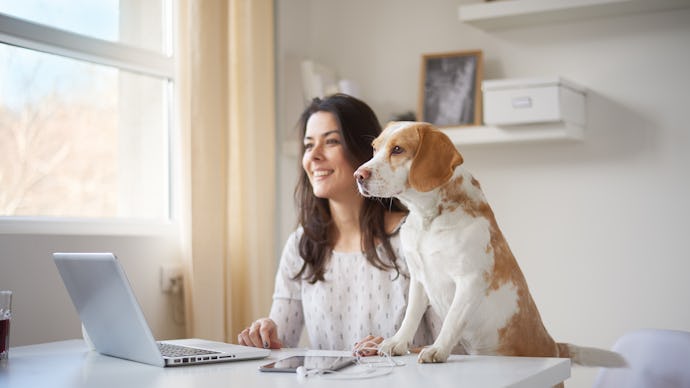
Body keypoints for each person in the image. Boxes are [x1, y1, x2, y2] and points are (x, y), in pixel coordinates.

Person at [237, 93, 440, 354]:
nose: (315, 156)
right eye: (309, 145)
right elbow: (281, 342)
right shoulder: (302, 244)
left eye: (331, 141)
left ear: (365, 152)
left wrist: (397, 348)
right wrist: (264, 334)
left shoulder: (417, 237)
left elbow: (455, 351)